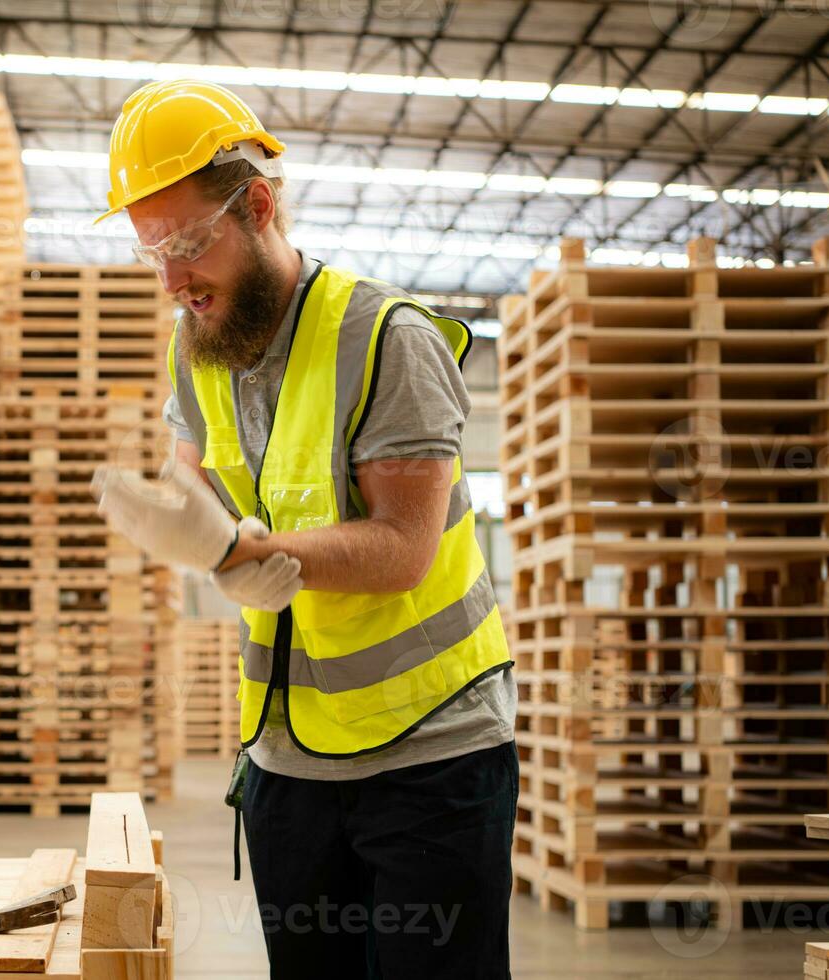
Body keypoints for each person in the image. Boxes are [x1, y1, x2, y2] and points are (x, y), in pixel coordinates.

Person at [89, 79, 517, 978]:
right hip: (288, 756)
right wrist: (184, 522)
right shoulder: (194, 343)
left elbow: (404, 549)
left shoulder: (387, 338)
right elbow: (195, 486)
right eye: (150, 253)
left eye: (189, 244)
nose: (172, 281)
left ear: (256, 206)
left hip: (431, 755)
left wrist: (247, 552)